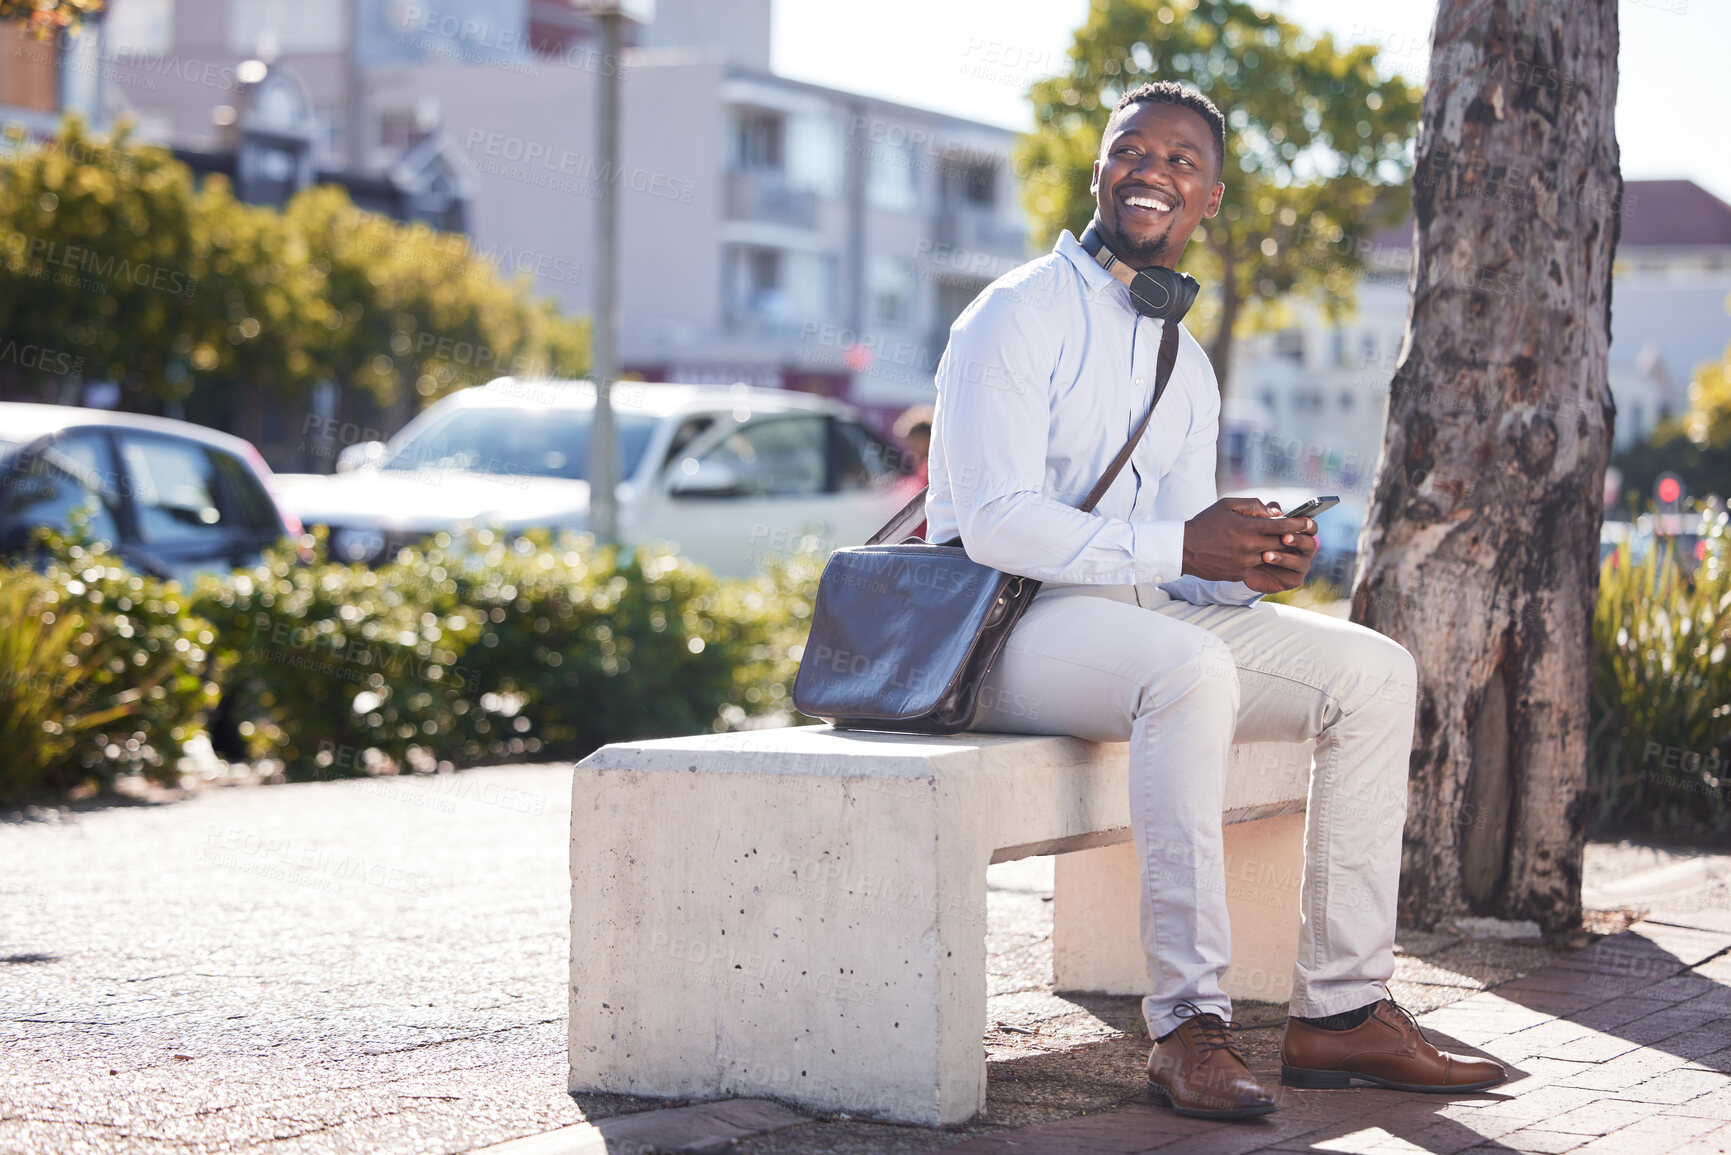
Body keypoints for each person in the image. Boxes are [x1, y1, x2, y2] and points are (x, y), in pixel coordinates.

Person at [924, 80, 1506, 1120]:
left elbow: (1174, 552)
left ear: (1212, 199)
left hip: (1128, 620)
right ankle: (1189, 1025)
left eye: (1180, 160)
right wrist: (1178, 545)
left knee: (1373, 670)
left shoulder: (1181, 359)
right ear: (1100, 170)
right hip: (1000, 628)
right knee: (1189, 668)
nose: (1152, 169)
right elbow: (1000, 520)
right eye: (1131, 150)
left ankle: (1341, 1014)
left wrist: (1242, 559)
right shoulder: (1011, 315)